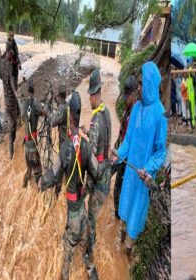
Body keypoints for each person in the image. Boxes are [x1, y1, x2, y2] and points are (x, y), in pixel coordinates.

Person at [38, 92, 102, 280]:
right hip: (82, 210)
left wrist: (41, 182)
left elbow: (53, 175)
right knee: (86, 249)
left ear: (69, 116)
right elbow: (97, 173)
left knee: (67, 252)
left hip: (74, 214)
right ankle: (92, 272)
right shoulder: (86, 145)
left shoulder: (65, 148)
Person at [111, 61, 167, 256]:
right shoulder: (135, 109)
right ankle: (121, 243)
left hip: (143, 177)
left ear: (150, 84)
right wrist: (118, 155)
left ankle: (127, 252)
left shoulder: (160, 115)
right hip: (130, 174)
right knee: (125, 210)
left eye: (142, 84)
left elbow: (160, 152)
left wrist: (149, 168)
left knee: (135, 216)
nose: (139, 87)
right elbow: (127, 140)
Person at [81, 69, 112, 261]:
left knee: (91, 219)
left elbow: (91, 159)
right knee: (94, 215)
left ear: (94, 94)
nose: (89, 100)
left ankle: (88, 255)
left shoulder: (95, 120)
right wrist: (87, 132)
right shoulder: (106, 112)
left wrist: (86, 183)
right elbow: (102, 143)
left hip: (98, 176)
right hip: (107, 173)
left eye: (89, 96)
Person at [113, 75, 137, 218]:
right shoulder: (127, 109)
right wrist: (116, 148)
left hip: (127, 158)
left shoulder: (135, 113)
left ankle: (120, 215)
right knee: (115, 184)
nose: (125, 99)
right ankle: (118, 212)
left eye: (127, 96)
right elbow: (121, 132)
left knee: (121, 187)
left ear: (133, 94)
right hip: (120, 151)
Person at [22, 80, 47, 188]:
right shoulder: (36, 103)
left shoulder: (24, 104)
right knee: (37, 169)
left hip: (26, 144)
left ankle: (24, 185)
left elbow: (25, 118)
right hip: (33, 142)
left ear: (28, 91)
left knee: (28, 168)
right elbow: (43, 112)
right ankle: (39, 191)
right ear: (34, 91)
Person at [47, 82, 68, 197]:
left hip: (64, 146)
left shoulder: (62, 109)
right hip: (69, 144)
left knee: (59, 170)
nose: (56, 98)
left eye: (56, 97)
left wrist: (47, 105)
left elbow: (52, 121)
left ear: (59, 96)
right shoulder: (67, 105)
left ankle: (57, 193)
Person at [0, 42, 20, 160]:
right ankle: (11, 154)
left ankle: (11, 153)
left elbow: (2, 77)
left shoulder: (1, 63)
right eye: (11, 54)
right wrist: (17, 94)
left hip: (9, 103)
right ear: (8, 52)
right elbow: (13, 86)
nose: (11, 56)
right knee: (13, 126)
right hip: (10, 103)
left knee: (13, 125)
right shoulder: (8, 66)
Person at [5, 25, 21, 90]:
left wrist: (19, 63)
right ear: (8, 35)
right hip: (10, 66)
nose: (12, 37)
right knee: (12, 82)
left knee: (16, 80)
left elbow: (17, 53)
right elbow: (7, 56)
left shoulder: (15, 43)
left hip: (15, 64)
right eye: (11, 35)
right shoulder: (7, 43)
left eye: (13, 35)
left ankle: (16, 90)